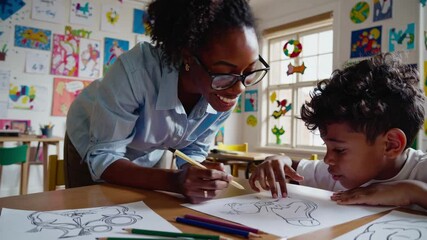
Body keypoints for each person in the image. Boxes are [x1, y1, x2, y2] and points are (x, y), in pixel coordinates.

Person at [65, 0, 269, 204]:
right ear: (188, 57)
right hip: (94, 136)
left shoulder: (223, 92)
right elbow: (104, 158)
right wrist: (174, 181)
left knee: (150, 209)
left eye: (249, 73)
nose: (240, 88)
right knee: (92, 209)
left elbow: (192, 151)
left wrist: (197, 174)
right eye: (224, 73)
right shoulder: (135, 72)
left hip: (152, 147)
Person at [249, 53, 427, 209]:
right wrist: (280, 159)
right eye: (327, 147)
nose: (327, 159)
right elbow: (295, 167)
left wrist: (411, 191)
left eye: (339, 150)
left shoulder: (422, 170)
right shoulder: (334, 173)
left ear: (391, 144)